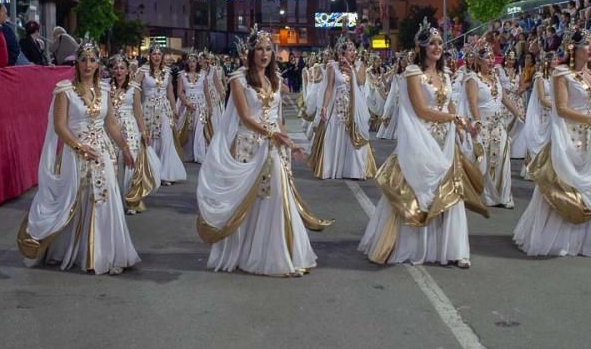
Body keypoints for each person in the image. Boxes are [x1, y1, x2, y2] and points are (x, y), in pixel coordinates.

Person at [197, 25, 332, 276]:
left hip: (274, 146)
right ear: (250, 52)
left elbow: (277, 117)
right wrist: (271, 134)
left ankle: (278, 253)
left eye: (269, 49)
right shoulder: (238, 79)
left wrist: (288, 141)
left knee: (277, 198)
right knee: (253, 200)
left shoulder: (275, 79)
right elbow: (245, 117)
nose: (264, 53)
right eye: (259, 49)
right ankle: (250, 253)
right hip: (249, 144)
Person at [358, 18, 486, 268]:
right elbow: (420, 109)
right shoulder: (412, 73)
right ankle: (411, 245)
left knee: (450, 190)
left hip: (445, 140)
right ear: (421, 47)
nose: (437, 47)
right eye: (431, 43)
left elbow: (449, 105)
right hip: (420, 139)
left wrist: (463, 127)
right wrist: (453, 117)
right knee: (417, 190)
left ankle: (454, 249)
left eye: (440, 43)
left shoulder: (446, 74)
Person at [17, 41, 140, 275]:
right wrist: (80, 146)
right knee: (76, 199)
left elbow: (111, 123)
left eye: (93, 60)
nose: (88, 64)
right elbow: (60, 126)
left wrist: (124, 147)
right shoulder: (64, 90)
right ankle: (74, 250)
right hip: (75, 155)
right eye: (84, 59)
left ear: (98, 64)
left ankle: (105, 253)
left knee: (105, 197)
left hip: (103, 153)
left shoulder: (104, 90)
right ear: (77, 62)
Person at [511, 30, 591, 259]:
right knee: (567, 184)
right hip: (570, 137)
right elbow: (562, 108)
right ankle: (562, 239)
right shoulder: (561, 74)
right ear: (573, 49)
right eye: (586, 45)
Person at [461, 42, 522, 208]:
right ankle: (485, 195)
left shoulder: (495, 77)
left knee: (502, 158)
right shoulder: (472, 79)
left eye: (492, 57)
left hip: (498, 124)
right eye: (486, 58)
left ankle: (503, 196)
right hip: (483, 125)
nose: (490, 60)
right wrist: (477, 121)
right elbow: (472, 102)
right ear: (479, 61)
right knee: (484, 161)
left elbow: (504, 98)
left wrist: (518, 113)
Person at [310, 36, 376, 180]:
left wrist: (352, 69)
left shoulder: (359, 66)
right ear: (342, 53)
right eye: (349, 50)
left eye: (354, 50)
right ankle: (333, 168)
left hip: (354, 106)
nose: (353, 52)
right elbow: (329, 88)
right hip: (338, 107)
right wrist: (324, 107)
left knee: (353, 134)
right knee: (335, 133)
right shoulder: (332, 66)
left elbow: (361, 81)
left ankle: (354, 170)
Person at [107, 55, 162, 214]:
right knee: (113, 161)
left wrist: (143, 132)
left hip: (129, 128)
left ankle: (133, 200)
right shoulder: (106, 88)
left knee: (130, 163)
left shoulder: (134, 88)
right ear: (112, 70)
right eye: (116, 68)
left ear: (127, 71)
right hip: (112, 128)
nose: (119, 71)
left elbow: (138, 113)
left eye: (122, 68)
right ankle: (114, 200)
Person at [135, 45, 186, 184]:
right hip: (148, 109)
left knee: (166, 138)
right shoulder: (142, 71)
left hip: (164, 109)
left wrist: (174, 109)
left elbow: (170, 91)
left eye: (159, 54)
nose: (157, 57)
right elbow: (134, 89)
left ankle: (165, 174)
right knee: (150, 139)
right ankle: (151, 171)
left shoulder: (167, 72)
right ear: (149, 56)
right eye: (154, 54)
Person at [520, 52, 554, 182]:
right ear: (548, 62)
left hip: (553, 113)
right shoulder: (540, 78)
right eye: (554, 59)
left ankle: (548, 170)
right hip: (542, 113)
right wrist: (556, 107)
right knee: (539, 139)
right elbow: (541, 99)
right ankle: (534, 169)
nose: (557, 61)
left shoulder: (556, 77)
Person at [175, 51, 208, 163]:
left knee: (199, 129)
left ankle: (199, 155)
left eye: (194, 61)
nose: (192, 64)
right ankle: (188, 154)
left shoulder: (203, 74)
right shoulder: (181, 75)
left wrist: (210, 107)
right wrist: (186, 102)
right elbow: (179, 92)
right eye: (189, 61)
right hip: (187, 105)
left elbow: (207, 92)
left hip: (200, 105)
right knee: (188, 130)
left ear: (197, 63)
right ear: (187, 63)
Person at [496, 48, 527, 159]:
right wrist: (503, 91)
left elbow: (523, 85)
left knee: (518, 123)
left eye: (513, 60)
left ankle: (515, 150)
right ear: (505, 58)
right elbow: (496, 83)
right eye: (509, 59)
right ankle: (503, 147)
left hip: (517, 100)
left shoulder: (518, 70)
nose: (511, 62)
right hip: (505, 100)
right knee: (504, 123)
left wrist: (520, 91)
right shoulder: (499, 70)